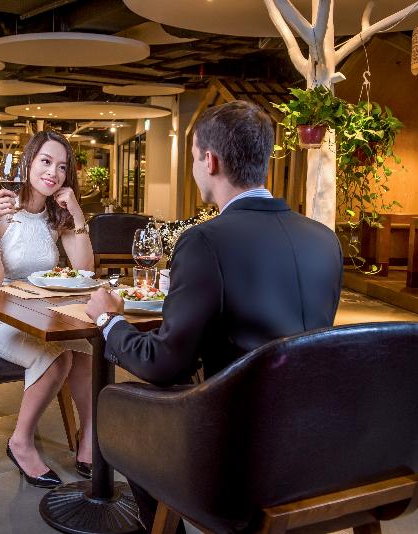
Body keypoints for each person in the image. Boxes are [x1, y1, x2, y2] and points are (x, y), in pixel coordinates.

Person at [85, 100, 343, 533]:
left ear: (210, 160)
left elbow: (165, 365)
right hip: (319, 441)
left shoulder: (205, 241)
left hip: (239, 453)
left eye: (192, 159)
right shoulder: (324, 240)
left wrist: (110, 321)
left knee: (122, 411)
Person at [0, 130, 94, 489]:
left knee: (89, 350)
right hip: (1, 317)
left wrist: (77, 213)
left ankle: (90, 437)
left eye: (61, 167)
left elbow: (84, 269)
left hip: (45, 315)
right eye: (46, 161)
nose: (53, 173)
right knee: (58, 358)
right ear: (28, 162)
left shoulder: (56, 216)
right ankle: (20, 442)